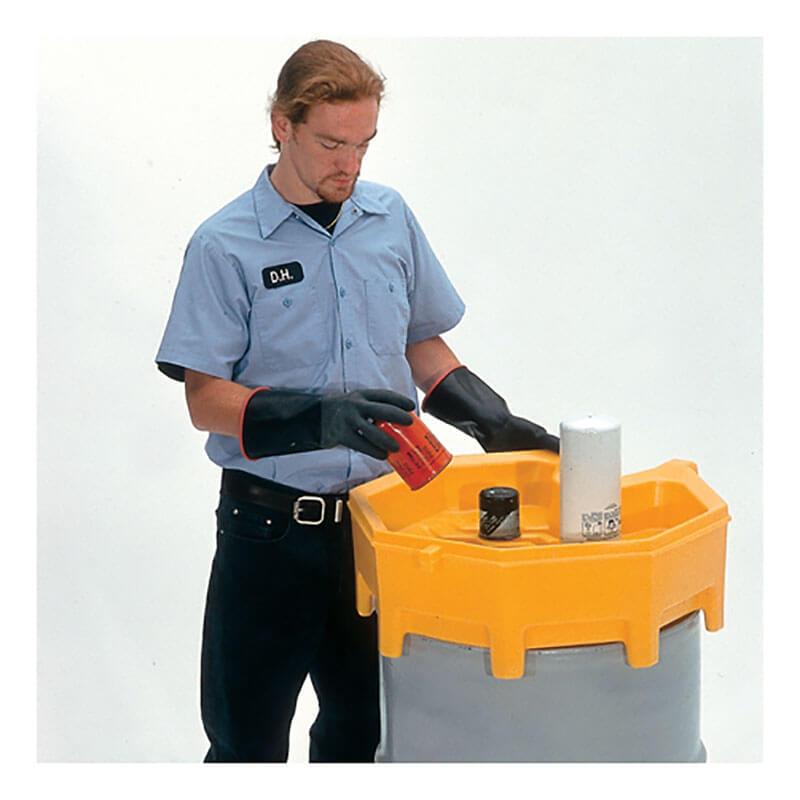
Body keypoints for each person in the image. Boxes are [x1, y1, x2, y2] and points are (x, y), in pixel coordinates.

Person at [155, 39, 559, 763]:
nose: (351, 163)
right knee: (246, 744)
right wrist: (318, 417)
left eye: (365, 143)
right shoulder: (224, 245)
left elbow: (420, 341)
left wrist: (487, 417)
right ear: (282, 125)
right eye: (332, 143)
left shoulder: (388, 217)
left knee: (364, 734)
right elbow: (205, 399)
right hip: (269, 531)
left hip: (384, 526)